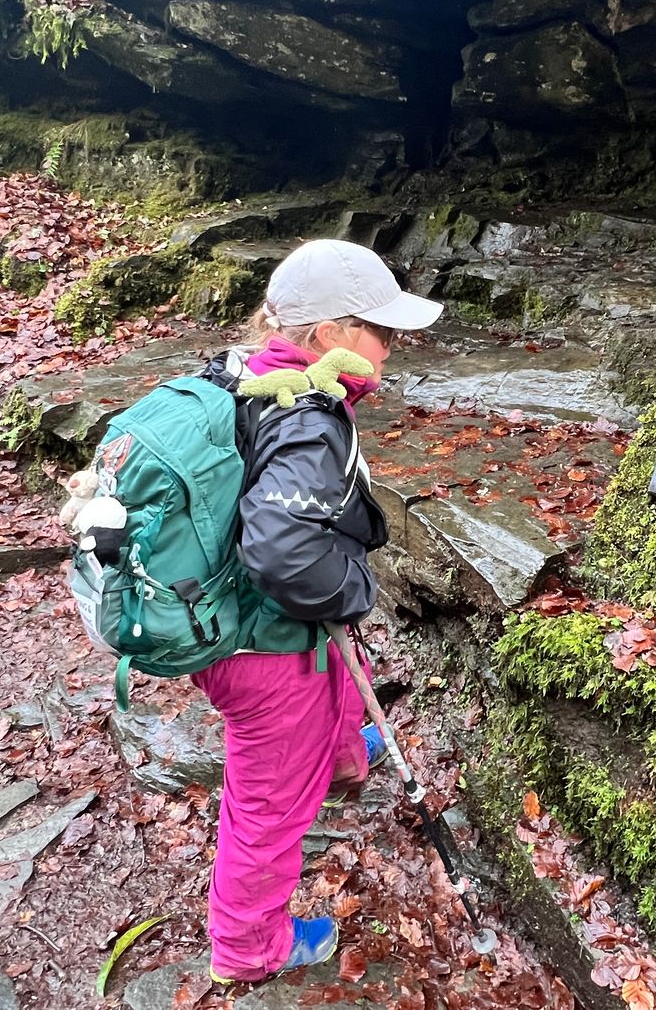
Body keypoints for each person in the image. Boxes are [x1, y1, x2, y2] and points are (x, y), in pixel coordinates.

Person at [194, 238, 442, 983]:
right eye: (382, 330)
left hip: (254, 618)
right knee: (267, 807)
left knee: (338, 662)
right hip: (261, 648)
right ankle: (247, 948)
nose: (392, 346)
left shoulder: (247, 374)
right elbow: (280, 551)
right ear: (331, 334)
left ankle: (339, 758)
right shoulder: (305, 418)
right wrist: (355, 590)